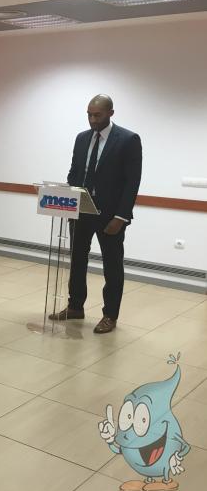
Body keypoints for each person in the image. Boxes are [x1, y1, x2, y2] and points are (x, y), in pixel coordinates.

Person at [50, 94, 142, 334]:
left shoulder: (128, 140)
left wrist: (121, 217)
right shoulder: (82, 138)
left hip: (111, 216)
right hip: (82, 211)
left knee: (112, 266)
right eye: (89, 115)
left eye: (97, 115)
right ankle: (75, 306)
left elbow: (132, 182)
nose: (92, 119)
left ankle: (110, 315)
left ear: (111, 113)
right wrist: (69, 200)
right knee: (77, 261)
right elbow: (75, 172)